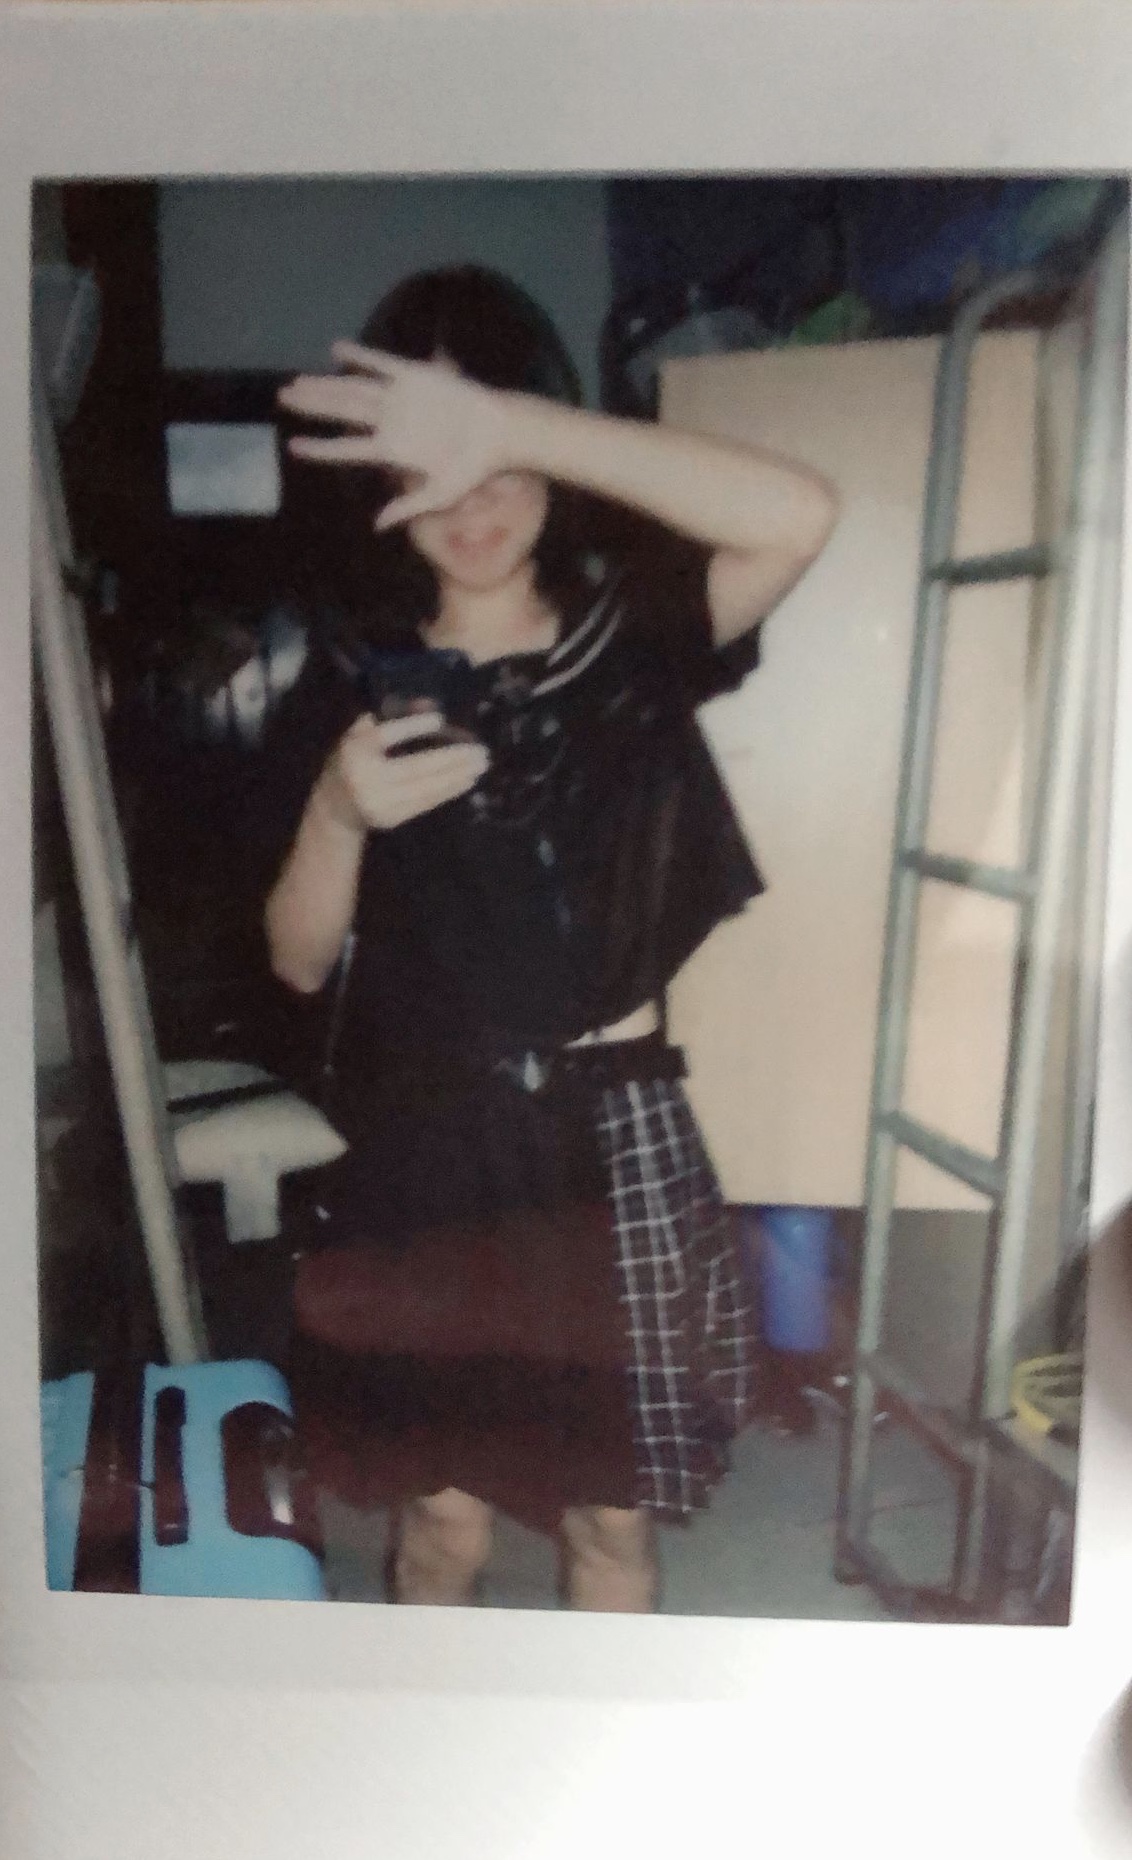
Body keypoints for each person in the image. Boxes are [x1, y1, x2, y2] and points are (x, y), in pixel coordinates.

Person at [260, 265, 837, 1612]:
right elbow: (295, 960)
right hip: (431, 1147)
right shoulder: (347, 684)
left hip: (613, 1140)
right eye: (430, 468)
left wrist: (511, 424)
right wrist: (338, 809)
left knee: (611, 1530)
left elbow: (800, 512)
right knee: (442, 1530)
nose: (469, 502)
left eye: (497, 460)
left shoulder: (640, 635)